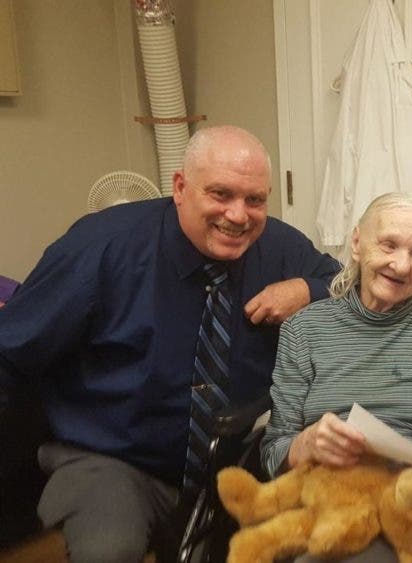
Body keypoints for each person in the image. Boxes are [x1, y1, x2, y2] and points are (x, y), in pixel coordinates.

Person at [0, 126, 340, 563]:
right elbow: (10, 351)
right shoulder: (100, 248)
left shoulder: (279, 246)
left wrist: (305, 288)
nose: (238, 215)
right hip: (113, 456)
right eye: (221, 194)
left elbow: (344, 281)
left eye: (255, 199)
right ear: (180, 187)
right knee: (108, 550)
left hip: (233, 456)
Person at [261, 192, 412, 562]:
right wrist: (304, 445)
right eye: (389, 245)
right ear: (356, 243)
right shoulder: (304, 329)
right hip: (326, 500)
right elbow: (273, 454)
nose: (402, 265)